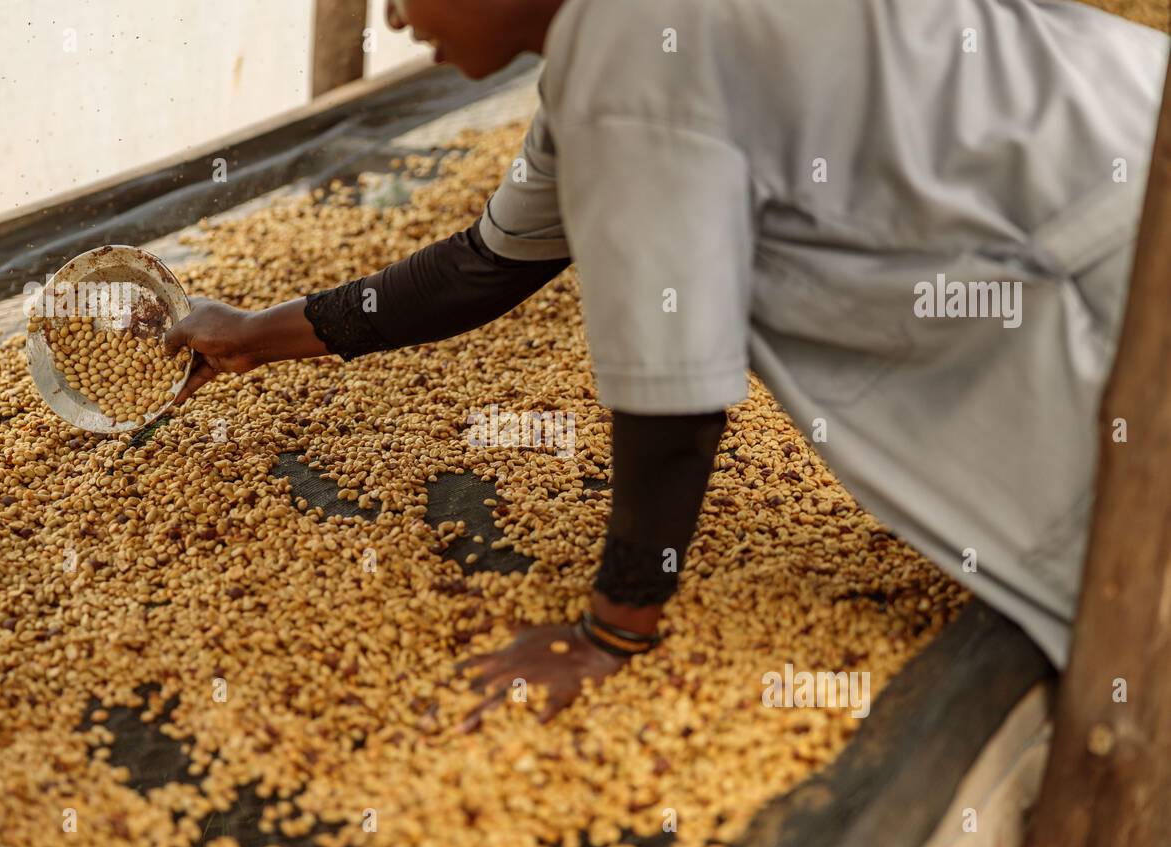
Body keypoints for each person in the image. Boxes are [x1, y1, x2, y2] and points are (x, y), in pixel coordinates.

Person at [165, 0, 1170, 725]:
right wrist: (252, 333)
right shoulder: (603, 49)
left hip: (1122, 232)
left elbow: (674, 388)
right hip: (1120, 120)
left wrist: (612, 628)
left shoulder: (630, 53)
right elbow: (483, 266)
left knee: (1139, 607)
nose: (391, 14)